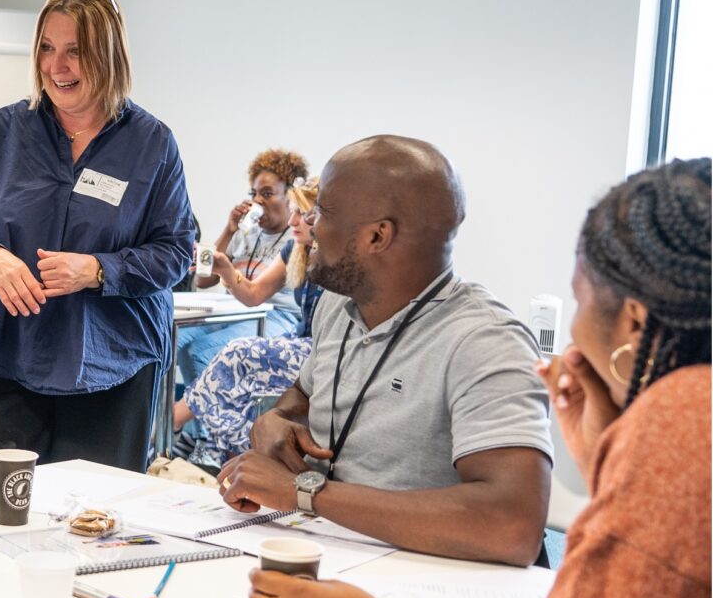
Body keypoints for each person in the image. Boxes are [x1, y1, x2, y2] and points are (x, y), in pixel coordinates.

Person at [247, 157, 711, 598]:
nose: (308, 224)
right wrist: (608, 456)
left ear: (634, 321)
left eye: (581, 298)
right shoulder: (336, 307)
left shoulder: (683, 422)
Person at [218, 135, 553, 567]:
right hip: (334, 551)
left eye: (323, 211)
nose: (308, 224)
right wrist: (276, 420)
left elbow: (512, 527)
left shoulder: (485, 342)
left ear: (378, 236)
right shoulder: (340, 305)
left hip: (431, 584)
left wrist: (305, 492)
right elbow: (302, 396)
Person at [0, 0, 194, 474]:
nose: (57, 67)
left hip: (112, 364)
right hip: (10, 354)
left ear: (109, 55)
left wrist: (98, 270)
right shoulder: (4, 131)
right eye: (47, 49)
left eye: (75, 51)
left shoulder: (151, 143)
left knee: (91, 528)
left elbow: (177, 251)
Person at [173, 178, 323, 466]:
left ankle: (176, 424)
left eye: (302, 213)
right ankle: (216, 452)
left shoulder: (336, 256)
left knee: (237, 353)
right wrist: (227, 271)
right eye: (294, 211)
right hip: (300, 343)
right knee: (231, 386)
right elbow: (253, 294)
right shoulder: (294, 249)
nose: (295, 220)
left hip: (319, 350)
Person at [176, 149, 307, 387]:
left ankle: (205, 423)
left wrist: (228, 270)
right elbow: (202, 282)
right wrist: (229, 230)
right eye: (254, 193)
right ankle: (170, 420)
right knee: (173, 341)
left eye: (267, 193)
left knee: (199, 351)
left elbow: (255, 295)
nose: (258, 201)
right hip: (234, 312)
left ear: (290, 196)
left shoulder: (295, 240)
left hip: (276, 316)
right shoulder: (246, 232)